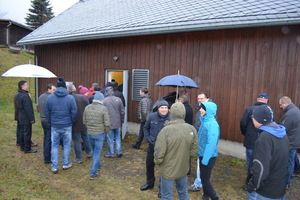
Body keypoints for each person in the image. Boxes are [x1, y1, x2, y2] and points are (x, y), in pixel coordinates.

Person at [154, 102, 198, 200]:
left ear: (171, 113)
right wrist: (184, 157)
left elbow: (159, 152)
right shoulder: (191, 129)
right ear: (184, 113)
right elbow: (194, 151)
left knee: (166, 196)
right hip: (183, 168)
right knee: (183, 193)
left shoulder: (165, 131)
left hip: (168, 169)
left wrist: (158, 162)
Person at [246, 105, 289, 200]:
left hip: (264, 193)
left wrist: (252, 187)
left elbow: (260, 168)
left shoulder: (264, 139)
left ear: (258, 119)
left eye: (252, 117)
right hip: (279, 190)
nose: (252, 119)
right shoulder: (282, 134)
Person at [45, 77, 77, 174]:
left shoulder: (50, 97)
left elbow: (47, 111)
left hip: (55, 125)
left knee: (54, 145)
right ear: (65, 86)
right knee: (67, 144)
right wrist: (71, 121)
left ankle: (54, 166)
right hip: (66, 124)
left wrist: (51, 121)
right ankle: (65, 163)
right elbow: (74, 111)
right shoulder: (70, 98)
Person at [240, 93, 272, 188]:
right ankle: (259, 181)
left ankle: (250, 182)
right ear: (266, 100)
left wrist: (246, 134)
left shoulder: (249, 109)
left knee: (250, 162)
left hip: (251, 141)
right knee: (262, 161)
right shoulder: (269, 110)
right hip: (265, 141)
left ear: (257, 99)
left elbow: (243, 123)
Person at [140, 99, 170, 197]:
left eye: (166, 108)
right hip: (152, 146)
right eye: (162, 108)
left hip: (166, 149)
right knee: (149, 165)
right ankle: (149, 183)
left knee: (164, 169)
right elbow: (145, 128)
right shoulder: (152, 116)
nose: (164, 110)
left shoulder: (171, 118)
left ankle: (162, 189)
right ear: (158, 108)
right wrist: (148, 138)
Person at [188, 92, 213, 192]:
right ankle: (202, 181)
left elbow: (207, 127)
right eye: (198, 98)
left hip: (204, 140)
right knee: (200, 161)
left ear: (207, 98)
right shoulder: (201, 107)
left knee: (201, 161)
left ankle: (199, 183)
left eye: (201, 98)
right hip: (200, 137)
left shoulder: (209, 109)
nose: (199, 100)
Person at [83, 92, 110, 180]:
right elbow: (107, 123)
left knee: (94, 151)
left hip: (90, 133)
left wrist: (89, 128)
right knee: (97, 152)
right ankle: (93, 173)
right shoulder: (103, 109)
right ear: (101, 100)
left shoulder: (87, 107)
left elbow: (84, 121)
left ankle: (97, 166)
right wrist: (106, 132)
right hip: (100, 134)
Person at [198, 102, 220, 200]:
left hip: (208, 157)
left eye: (202, 108)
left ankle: (214, 197)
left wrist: (205, 159)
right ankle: (205, 195)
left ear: (209, 111)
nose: (200, 110)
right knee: (204, 179)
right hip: (202, 154)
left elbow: (211, 144)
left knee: (205, 180)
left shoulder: (212, 124)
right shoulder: (205, 122)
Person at [67, 83, 92, 164]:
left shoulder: (68, 98)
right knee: (85, 137)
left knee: (76, 140)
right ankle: (89, 152)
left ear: (68, 90)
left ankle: (79, 158)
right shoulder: (83, 97)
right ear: (74, 89)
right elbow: (88, 108)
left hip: (74, 123)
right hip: (84, 121)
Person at [279, 96, 300, 188]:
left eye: (281, 104)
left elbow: (283, 128)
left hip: (290, 142)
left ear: (285, 103)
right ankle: (297, 171)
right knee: (294, 157)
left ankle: (286, 183)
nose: (280, 107)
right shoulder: (296, 110)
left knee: (289, 162)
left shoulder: (290, 114)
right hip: (295, 140)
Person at [15, 80, 37, 153]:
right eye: (26, 85)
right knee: (27, 133)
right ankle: (27, 148)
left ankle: (22, 146)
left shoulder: (18, 94)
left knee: (22, 132)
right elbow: (28, 108)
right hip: (26, 117)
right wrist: (32, 119)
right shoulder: (25, 96)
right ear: (22, 86)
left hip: (20, 116)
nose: (27, 86)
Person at [103, 86, 125, 158]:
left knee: (110, 138)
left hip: (108, 123)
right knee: (118, 137)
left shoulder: (104, 101)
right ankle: (119, 151)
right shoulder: (118, 99)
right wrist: (122, 120)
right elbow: (122, 112)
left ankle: (111, 153)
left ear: (106, 92)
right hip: (117, 122)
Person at [37, 83, 56, 163]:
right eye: (53, 90)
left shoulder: (41, 96)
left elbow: (38, 107)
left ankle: (46, 153)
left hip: (42, 120)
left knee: (46, 137)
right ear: (49, 89)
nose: (54, 91)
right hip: (48, 120)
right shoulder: (51, 98)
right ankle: (47, 157)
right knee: (49, 139)